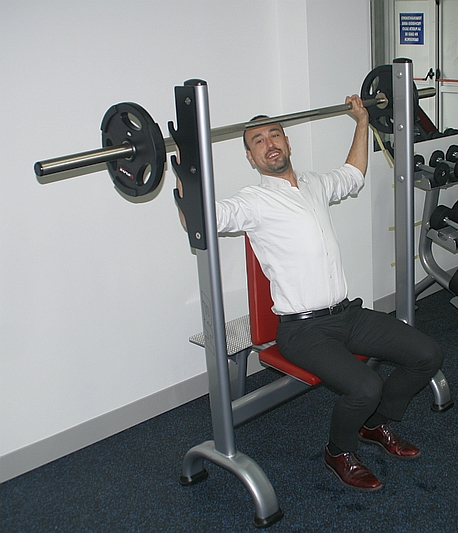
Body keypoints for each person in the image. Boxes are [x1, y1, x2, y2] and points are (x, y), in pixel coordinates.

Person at [177, 95, 443, 491]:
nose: (269, 144)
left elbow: (353, 175)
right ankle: (338, 451)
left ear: (287, 141)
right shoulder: (253, 201)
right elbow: (200, 219)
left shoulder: (315, 184)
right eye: (258, 142)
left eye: (275, 135)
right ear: (251, 158)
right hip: (303, 330)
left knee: (428, 354)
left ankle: (374, 425)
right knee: (365, 386)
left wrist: (361, 121)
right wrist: (183, 163)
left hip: (347, 314)